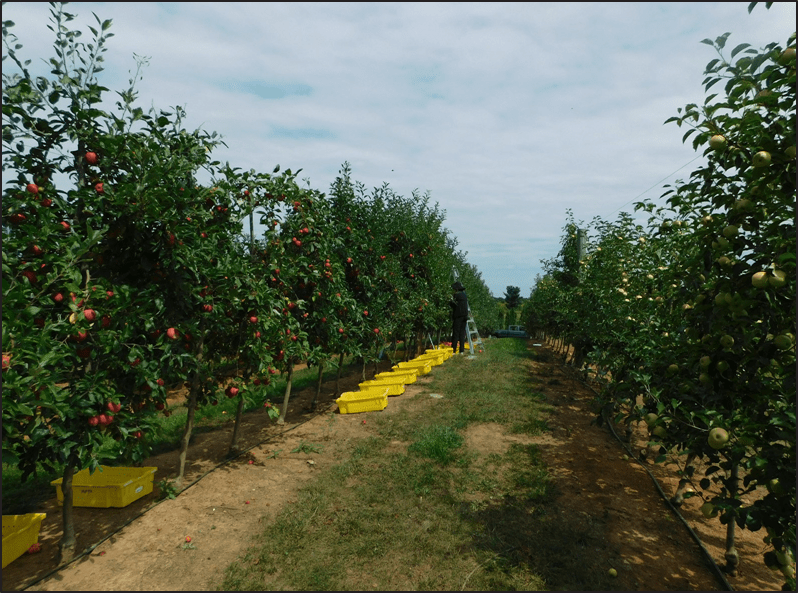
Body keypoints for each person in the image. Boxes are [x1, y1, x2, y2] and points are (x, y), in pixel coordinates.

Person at [450, 281, 469, 354]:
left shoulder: (456, 296)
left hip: (458, 316)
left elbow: (452, 304)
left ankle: (453, 350)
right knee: (462, 333)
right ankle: (461, 350)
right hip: (465, 316)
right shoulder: (464, 295)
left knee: (456, 333)